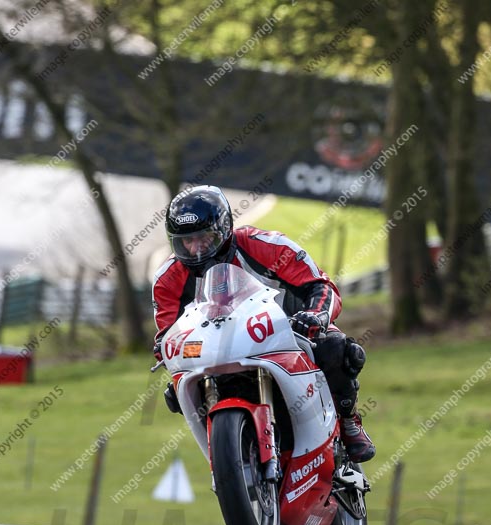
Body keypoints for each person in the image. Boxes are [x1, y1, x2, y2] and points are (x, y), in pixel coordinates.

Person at [152, 185, 375, 463]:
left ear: (224, 230)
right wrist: (164, 349)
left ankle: (349, 420)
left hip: (288, 331)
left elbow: (321, 287)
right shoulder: (167, 278)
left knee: (339, 350)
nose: (196, 249)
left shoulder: (266, 245)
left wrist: (315, 316)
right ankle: (231, 459)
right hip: (217, 347)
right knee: (176, 392)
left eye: (204, 238)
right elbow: (168, 332)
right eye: (187, 241)